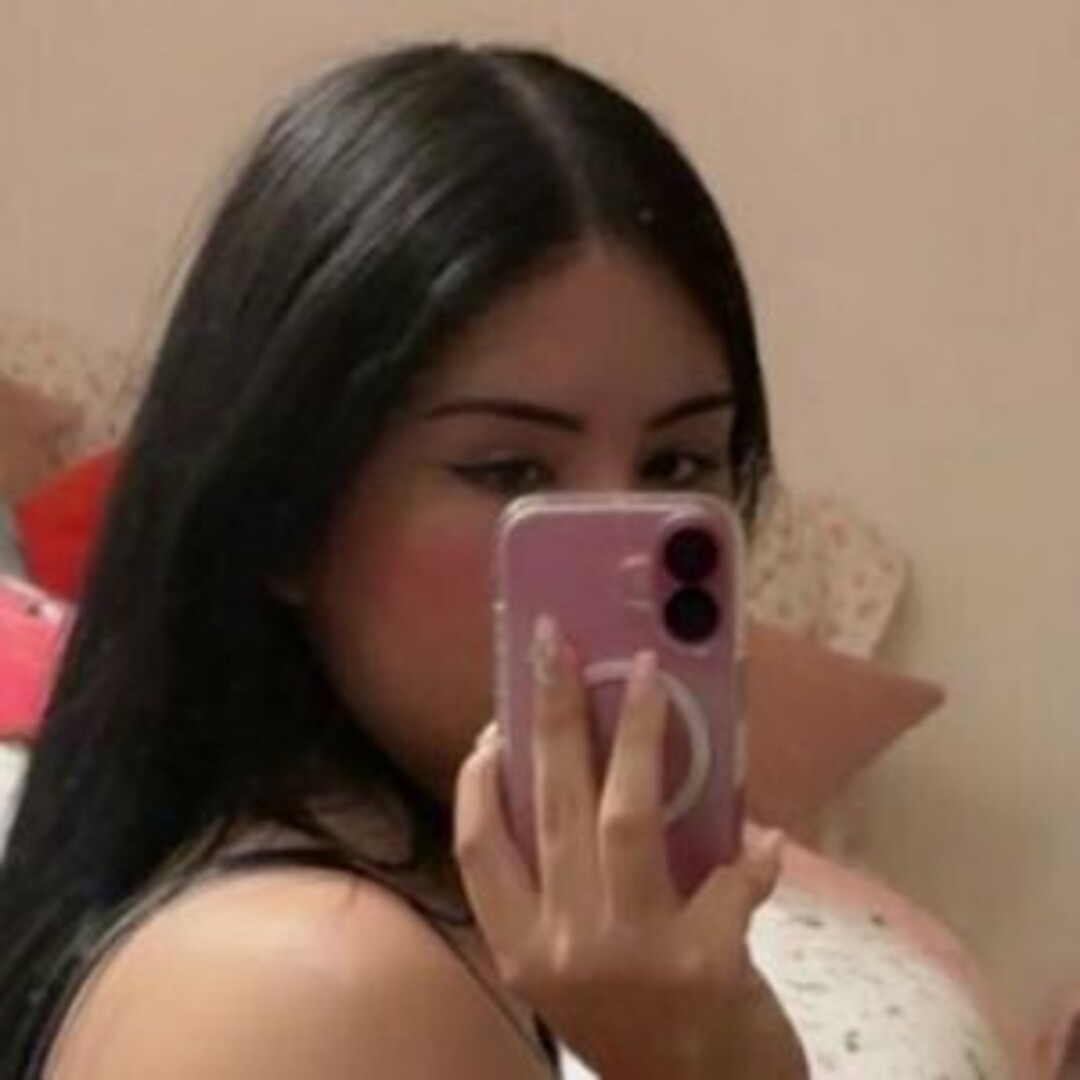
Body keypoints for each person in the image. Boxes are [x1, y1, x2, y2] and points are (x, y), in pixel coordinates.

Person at [0, 43, 807, 1079]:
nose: (626, 554)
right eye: (511, 472)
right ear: (283, 510)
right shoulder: (321, 987)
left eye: (679, 463)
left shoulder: (414, 896)